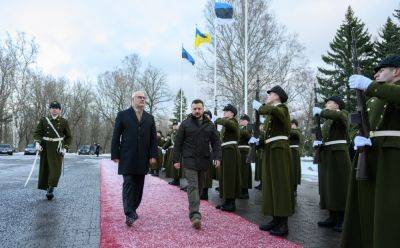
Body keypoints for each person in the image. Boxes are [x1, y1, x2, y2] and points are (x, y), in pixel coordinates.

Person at [342, 55, 400, 247]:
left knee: (388, 209)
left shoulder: (385, 92)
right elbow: (361, 121)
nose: (376, 74)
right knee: (367, 207)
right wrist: (357, 138)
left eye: (382, 70)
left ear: (397, 71)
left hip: (392, 157)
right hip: (371, 153)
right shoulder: (376, 98)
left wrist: (370, 86)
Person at [111, 91, 158, 227]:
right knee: (129, 183)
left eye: (144, 98)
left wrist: (153, 155)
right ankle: (128, 212)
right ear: (133, 99)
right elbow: (116, 135)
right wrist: (115, 154)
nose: (142, 99)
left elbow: (153, 139)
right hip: (127, 156)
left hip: (143, 158)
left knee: (139, 186)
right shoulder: (123, 115)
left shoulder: (150, 118)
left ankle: (132, 209)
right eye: (140, 97)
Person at [173, 99, 221, 229]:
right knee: (193, 186)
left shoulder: (210, 125)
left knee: (199, 187)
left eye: (199, 109)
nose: (197, 111)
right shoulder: (185, 124)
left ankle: (194, 208)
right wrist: (176, 159)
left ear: (203, 109)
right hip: (189, 160)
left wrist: (217, 156)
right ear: (191, 109)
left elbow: (216, 142)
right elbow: (178, 143)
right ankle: (195, 215)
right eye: (194, 109)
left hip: (204, 160)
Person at [256, 85, 293, 236]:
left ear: (277, 96)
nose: (268, 96)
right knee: (271, 184)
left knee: (280, 184)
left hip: (279, 149)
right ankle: (275, 218)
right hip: (270, 149)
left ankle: (283, 222)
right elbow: (268, 133)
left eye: (270, 94)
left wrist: (261, 107)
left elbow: (273, 111)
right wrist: (260, 141)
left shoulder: (282, 109)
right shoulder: (272, 114)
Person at [312, 95, 351, 232]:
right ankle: (332, 215)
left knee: (339, 185)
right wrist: (318, 142)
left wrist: (320, 112)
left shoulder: (342, 114)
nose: (326, 104)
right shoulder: (327, 121)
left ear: (337, 105)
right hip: (327, 153)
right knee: (328, 185)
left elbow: (339, 117)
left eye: (329, 102)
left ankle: (342, 218)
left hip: (338, 154)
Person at [33, 101, 72, 200]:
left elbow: (69, 137)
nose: (54, 109)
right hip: (45, 147)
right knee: (46, 168)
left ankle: (51, 188)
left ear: (59, 110)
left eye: (56, 108)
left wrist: (65, 148)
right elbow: (37, 133)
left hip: (57, 148)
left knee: (55, 170)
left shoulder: (64, 121)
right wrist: (38, 143)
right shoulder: (44, 120)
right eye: (52, 107)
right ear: (50, 109)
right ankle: (47, 187)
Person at [215, 104, 242, 212]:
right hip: (225, 151)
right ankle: (227, 200)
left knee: (230, 176)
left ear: (232, 113)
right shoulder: (226, 124)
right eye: (224, 111)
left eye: (226, 111)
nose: (224, 113)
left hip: (231, 151)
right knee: (225, 176)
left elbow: (226, 122)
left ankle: (231, 203)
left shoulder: (233, 122)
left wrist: (218, 119)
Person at [238, 114, 252, 199]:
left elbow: (250, 137)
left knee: (245, 172)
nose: (240, 121)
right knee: (240, 171)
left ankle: (245, 191)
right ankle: (241, 190)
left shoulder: (249, 128)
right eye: (240, 119)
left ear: (246, 121)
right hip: (239, 151)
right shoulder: (240, 128)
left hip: (245, 151)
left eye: (242, 119)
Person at [289, 119, 302, 196]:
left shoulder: (297, 131)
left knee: (295, 170)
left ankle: (294, 189)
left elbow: (295, 134)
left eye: (292, 124)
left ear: (295, 125)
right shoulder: (290, 131)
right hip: (289, 151)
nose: (291, 125)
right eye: (291, 124)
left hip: (294, 152)